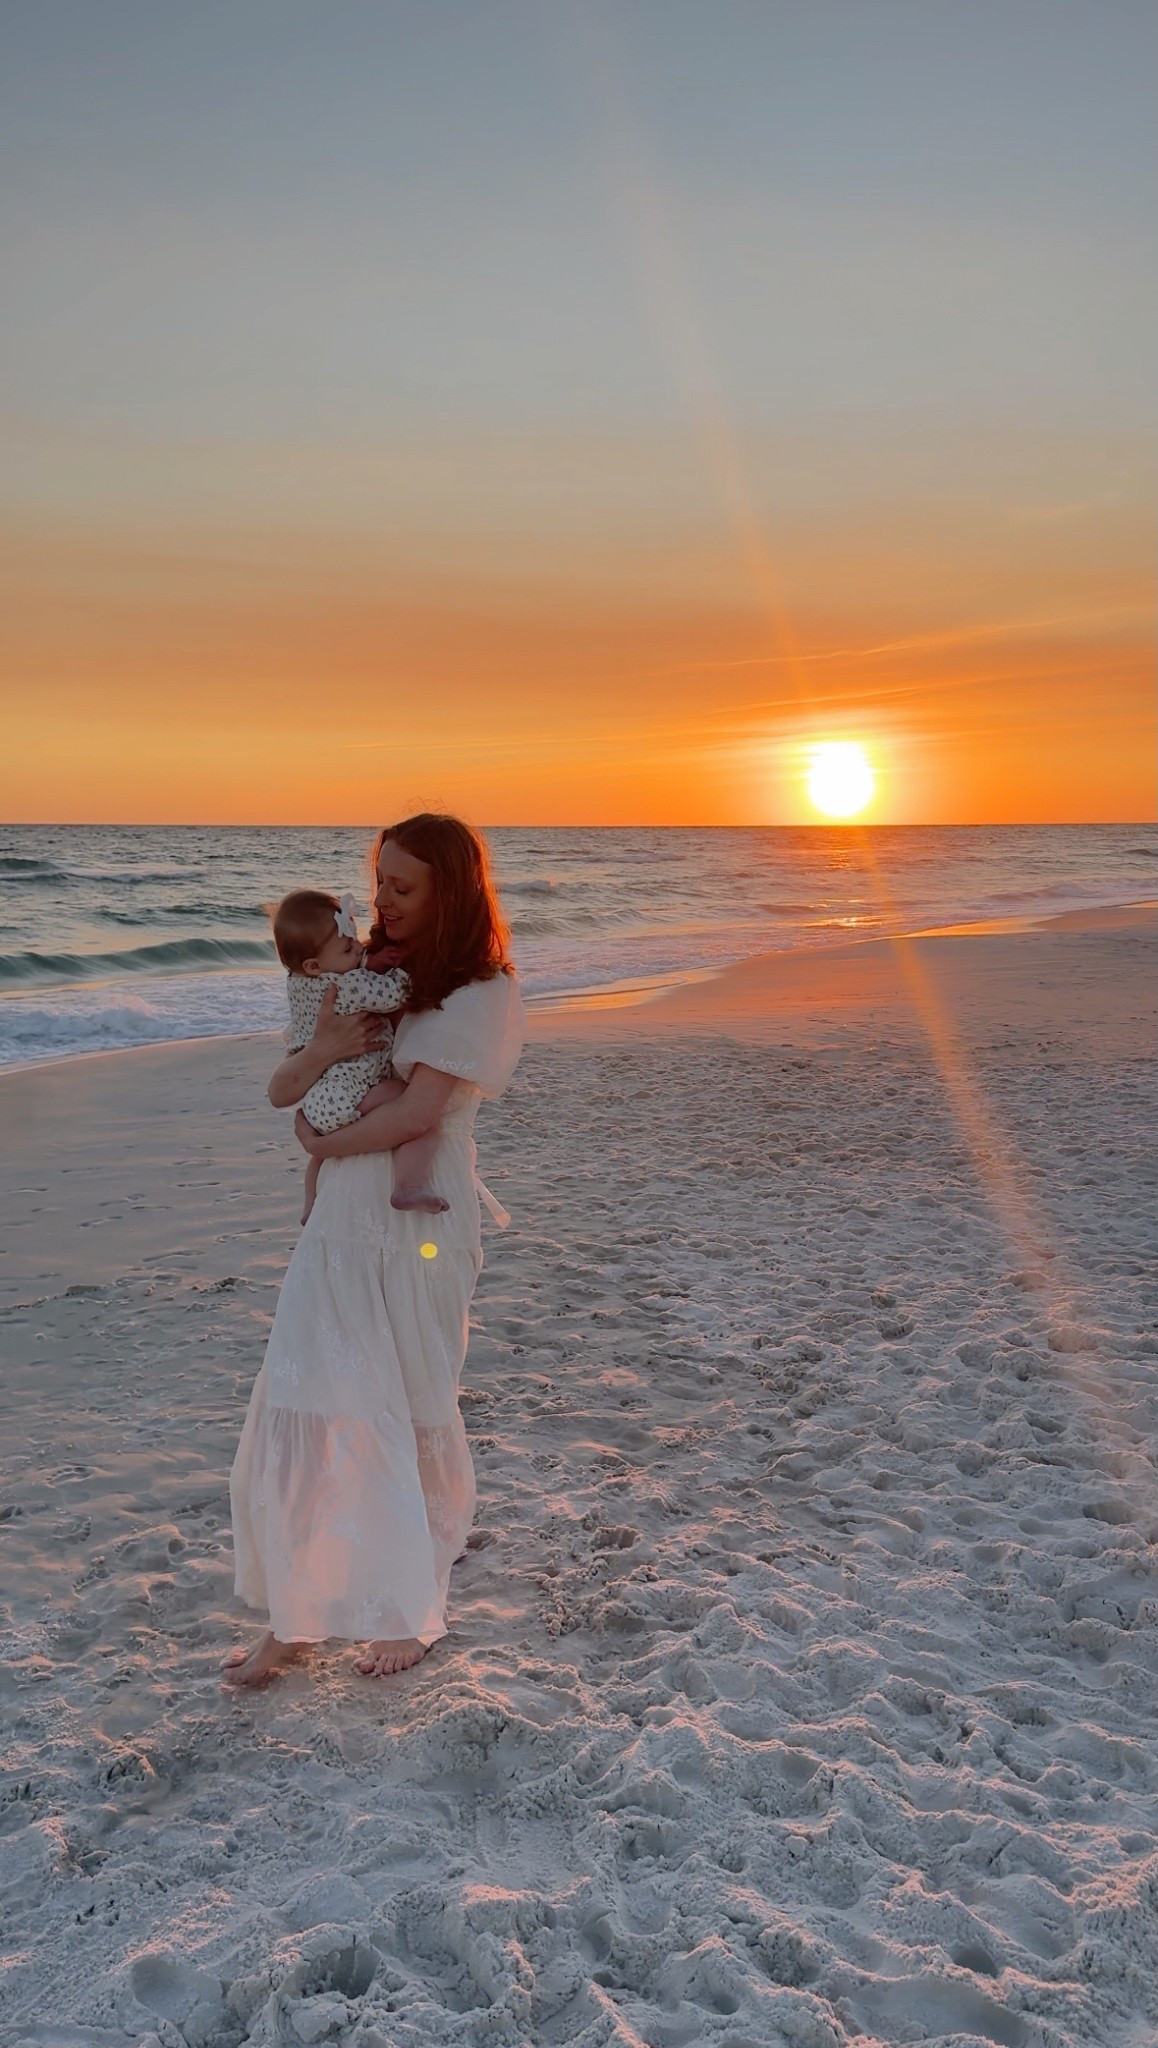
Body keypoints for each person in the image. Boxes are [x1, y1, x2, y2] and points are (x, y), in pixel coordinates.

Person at [224, 815, 523, 1687]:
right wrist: (315, 1077)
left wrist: (317, 1147)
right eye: (379, 882)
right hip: (342, 1221)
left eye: (403, 888)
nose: (382, 904)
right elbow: (294, 1081)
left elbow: (416, 1115)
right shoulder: (368, 976)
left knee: (418, 1403)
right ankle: (298, 1615)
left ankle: (410, 1607)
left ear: (451, 892)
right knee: (311, 1399)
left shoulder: (481, 991)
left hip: (419, 1221)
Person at [271, 885, 445, 1224]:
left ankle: (311, 1205)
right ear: (315, 963)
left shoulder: (300, 980)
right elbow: (394, 994)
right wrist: (409, 967)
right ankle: (409, 1185)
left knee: (320, 1157)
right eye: (349, 946)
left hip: (318, 1100)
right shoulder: (348, 985)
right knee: (420, 1117)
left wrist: (366, 962)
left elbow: (345, 970)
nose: (358, 949)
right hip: (352, 1090)